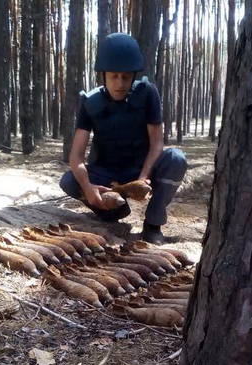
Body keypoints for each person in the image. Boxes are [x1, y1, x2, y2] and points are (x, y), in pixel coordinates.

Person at [59, 33, 187, 245]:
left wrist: (143, 178)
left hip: (140, 168)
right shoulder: (90, 102)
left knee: (176, 159)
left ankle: (153, 223)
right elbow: (76, 156)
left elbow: (157, 144)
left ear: (134, 76)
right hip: (106, 172)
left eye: (126, 77)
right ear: (104, 75)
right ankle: (113, 211)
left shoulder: (147, 94)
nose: (119, 83)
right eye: (114, 76)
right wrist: (88, 188)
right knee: (70, 181)